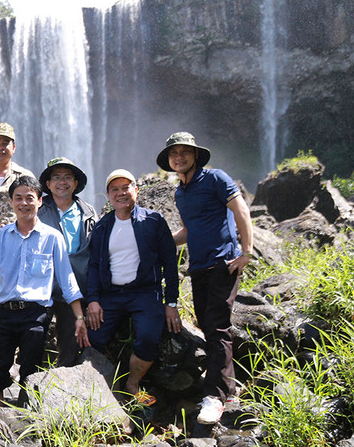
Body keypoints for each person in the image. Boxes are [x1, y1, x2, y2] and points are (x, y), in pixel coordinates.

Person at [157, 132, 253, 425]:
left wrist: (246, 252)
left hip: (223, 264)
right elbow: (188, 231)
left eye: (185, 152)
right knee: (211, 326)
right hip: (197, 268)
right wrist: (157, 242)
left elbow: (241, 211)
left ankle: (214, 396)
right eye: (174, 154)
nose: (179, 158)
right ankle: (230, 390)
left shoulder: (216, 178)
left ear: (196, 155)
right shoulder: (180, 192)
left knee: (216, 327)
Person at [0, 176, 89, 405]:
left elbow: (67, 280)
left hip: (36, 315)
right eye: (18, 198)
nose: (24, 203)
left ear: (40, 201)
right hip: (3, 313)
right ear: (11, 202)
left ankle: (27, 421)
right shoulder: (0, 236)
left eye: (30, 198)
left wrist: (79, 316)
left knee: (31, 372)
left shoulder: (53, 238)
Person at [84, 169, 181, 406]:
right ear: (108, 195)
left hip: (144, 292)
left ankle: (133, 384)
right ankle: (101, 388)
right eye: (114, 190)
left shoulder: (153, 221)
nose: (121, 193)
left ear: (135, 191)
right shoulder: (102, 226)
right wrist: (93, 300)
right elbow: (94, 266)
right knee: (93, 337)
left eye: (125, 188)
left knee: (149, 338)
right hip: (112, 294)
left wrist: (171, 303)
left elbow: (170, 262)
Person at [37, 157, 99, 367]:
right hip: (42, 288)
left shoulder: (88, 213)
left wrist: (93, 296)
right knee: (33, 339)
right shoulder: (37, 210)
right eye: (56, 177)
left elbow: (96, 254)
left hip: (74, 290)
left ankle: (64, 392)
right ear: (47, 184)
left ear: (75, 183)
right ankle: (27, 388)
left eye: (67, 177)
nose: (62, 182)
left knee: (70, 344)